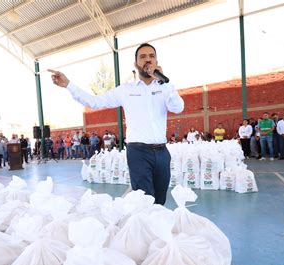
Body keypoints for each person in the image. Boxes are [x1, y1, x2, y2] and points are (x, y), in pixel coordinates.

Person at [48, 42, 184, 205]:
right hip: (138, 153)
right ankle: (142, 228)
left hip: (162, 153)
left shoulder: (165, 87)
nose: (148, 60)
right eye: (143, 57)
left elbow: (178, 108)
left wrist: (165, 82)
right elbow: (94, 102)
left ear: (157, 62)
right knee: (145, 202)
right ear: (136, 64)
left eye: (151, 56)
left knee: (160, 200)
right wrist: (68, 85)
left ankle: (154, 229)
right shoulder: (126, 90)